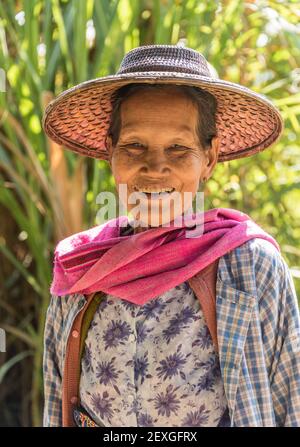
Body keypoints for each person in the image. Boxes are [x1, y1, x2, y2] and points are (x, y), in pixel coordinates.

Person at [42, 44, 300, 427]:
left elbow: (289, 399)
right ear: (110, 151)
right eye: (134, 146)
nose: (155, 166)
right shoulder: (83, 267)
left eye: (179, 148)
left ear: (209, 158)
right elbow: (56, 395)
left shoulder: (248, 265)